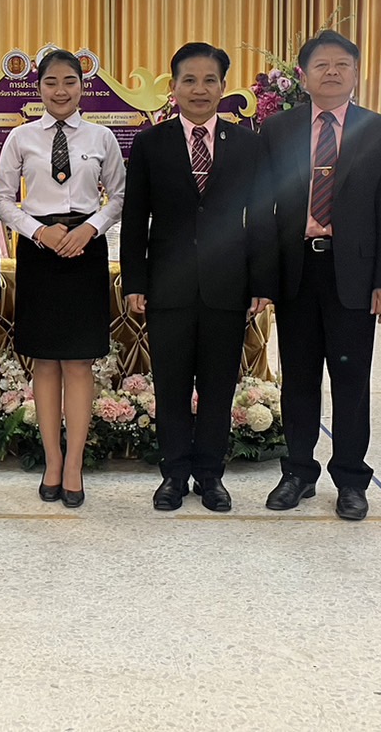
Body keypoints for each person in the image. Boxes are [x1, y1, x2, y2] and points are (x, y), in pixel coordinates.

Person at [260, 30, 381, 521]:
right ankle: (298, 472)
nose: (332, 72)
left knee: (351, 381)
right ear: (303, 76)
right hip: (297, 271)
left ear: (356, 73)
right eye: (321, 65)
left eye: (342, 64)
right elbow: (262, 210)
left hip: (355, 275)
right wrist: (263, 280)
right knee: (298, 379)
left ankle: (350, 478)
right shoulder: (277, 130)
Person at [120, 43, 271, 513]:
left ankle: (210, 475)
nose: (199, 89)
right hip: (167, 286)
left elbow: (261, 217)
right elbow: (135, 218)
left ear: (223, 87)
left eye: (209, 80)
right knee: (170, 386)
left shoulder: (247, 143)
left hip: (228, 285)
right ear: (174, 87)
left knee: (218, 385)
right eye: (189, 80)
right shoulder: (151, 143)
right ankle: (173, 474)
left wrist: (261, 282)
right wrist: (134, 281)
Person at [0, 50, 126, 507]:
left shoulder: (102, 136)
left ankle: (74, 466)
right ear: (39, 87)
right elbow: (1, 198)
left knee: (79, 363)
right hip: (39, 252)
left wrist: (91, 228)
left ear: (82, 85)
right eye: (51, 82)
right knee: (45, 362)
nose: (61, 90)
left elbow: (120, 195)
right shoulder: (21, 137)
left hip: (86, 250)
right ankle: (52, 462)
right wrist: (37, 231)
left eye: (70, 81)